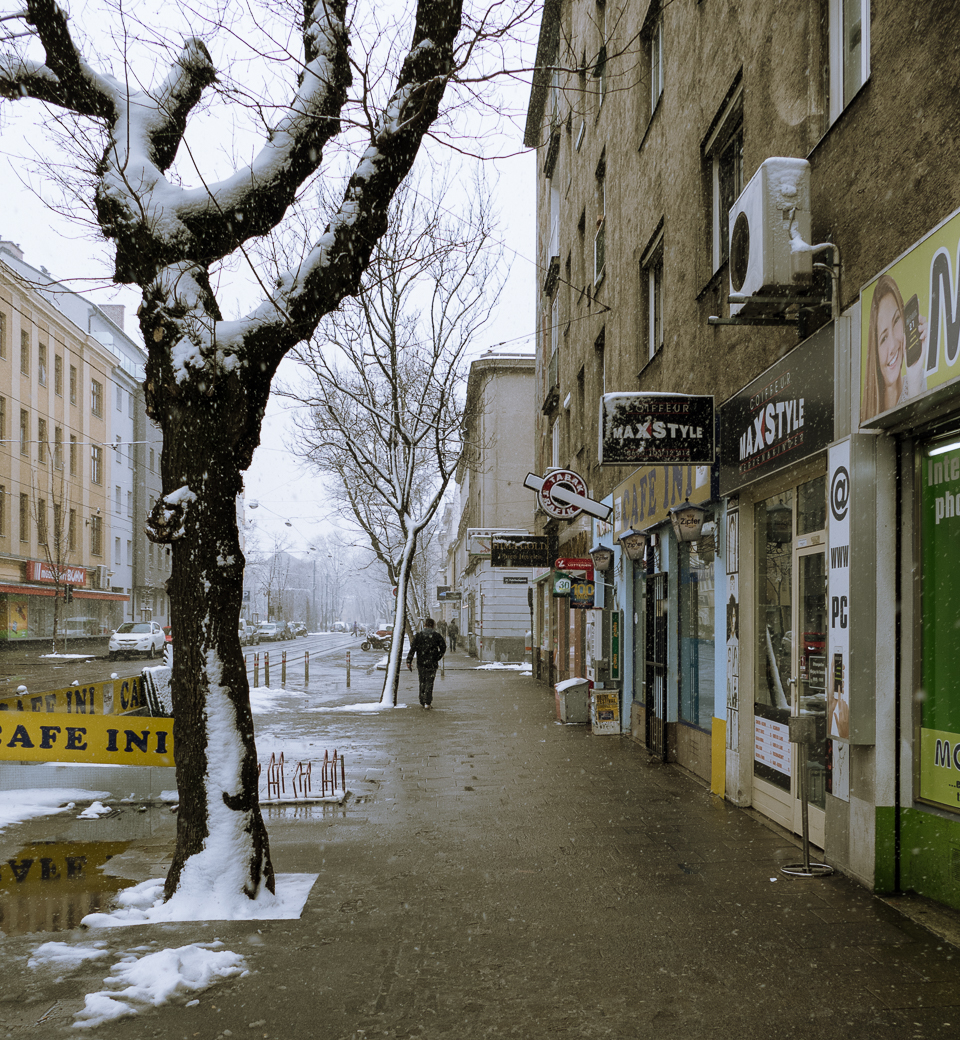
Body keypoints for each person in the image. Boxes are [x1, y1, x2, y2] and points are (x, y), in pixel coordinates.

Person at [861, 273, 928, 423]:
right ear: (875, 354)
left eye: (896, 320)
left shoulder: (920, 382)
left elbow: (920, 426)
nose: (892, 346)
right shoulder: (866, 414)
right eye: (883, 338)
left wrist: (914, 376)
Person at [406, 618, 447, 708]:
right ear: (433, 626)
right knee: (430, 682)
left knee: (422, 681)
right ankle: (427, 702)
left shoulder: (419, 636)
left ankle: (422, 700)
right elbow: (443, 648)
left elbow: (413, 649)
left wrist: (409, 660)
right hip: (432, 663)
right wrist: (437, 657)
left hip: (421, 663)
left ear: (424, 625)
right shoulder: (436, 636)